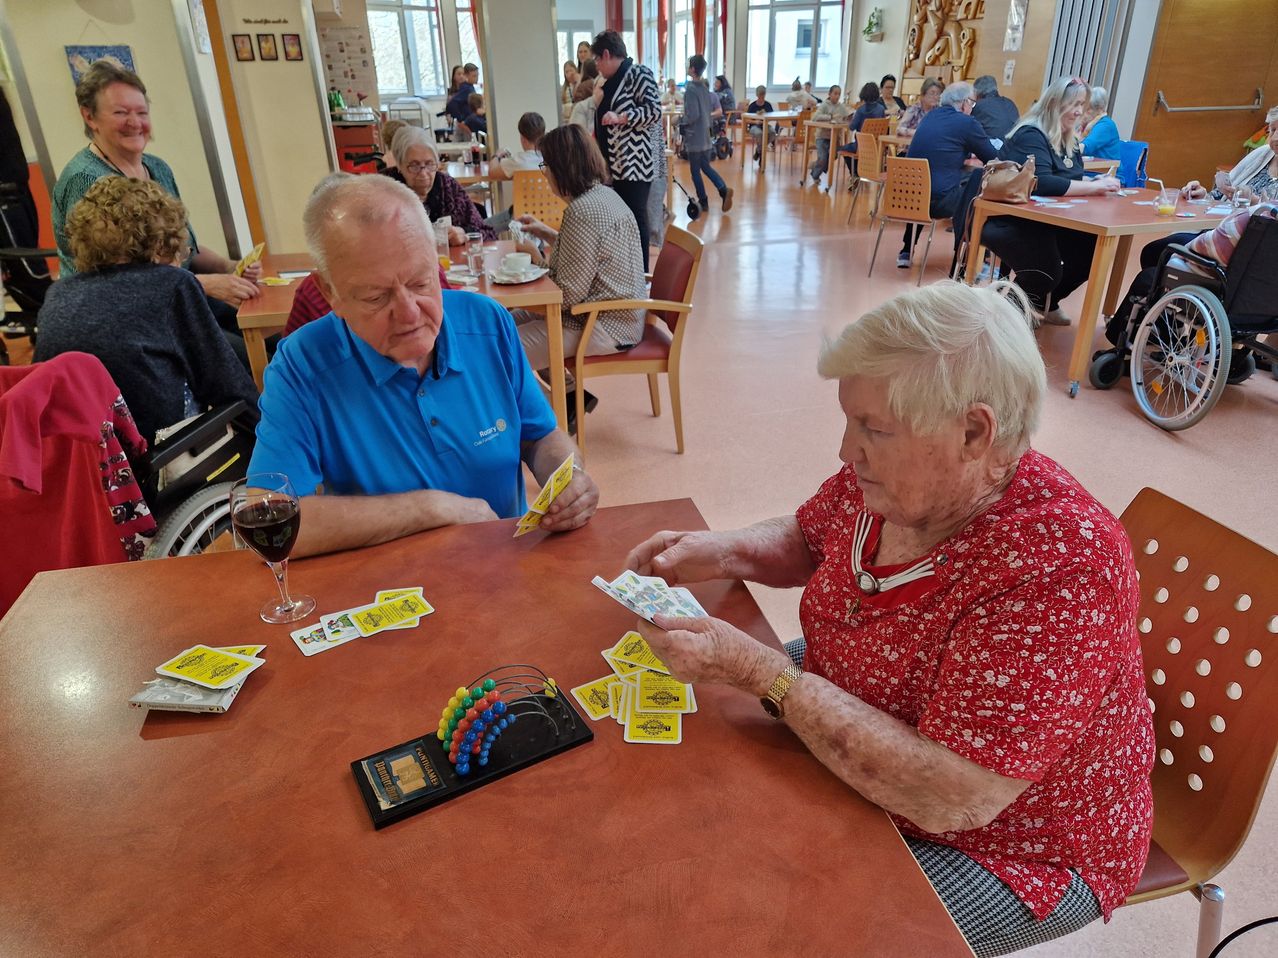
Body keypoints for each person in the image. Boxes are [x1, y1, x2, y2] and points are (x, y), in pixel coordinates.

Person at [623, 281, 1153, 958]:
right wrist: (721, 549)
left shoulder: (1060, 567)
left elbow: (953, 797)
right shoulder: (905, 481)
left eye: (873, 428)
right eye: (851, 421)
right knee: (698, 791)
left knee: (781, 928)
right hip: (863, 702)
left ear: (974, 432)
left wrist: (767, 675)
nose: (847, 450)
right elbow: (813, 535)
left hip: (1011, 844)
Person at [249, 173, 598, 557]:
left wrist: (569, 478)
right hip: (387, 581)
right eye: (376, 297)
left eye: (420, 283)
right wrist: (430, 509)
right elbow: (271, 520)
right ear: (330, 293)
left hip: (504, 564)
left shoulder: (488, 323)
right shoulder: (301, 365)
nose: (410, 314)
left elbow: (540, 436)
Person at [35, 177, 256, 446]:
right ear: (161, 244)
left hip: (78, 458)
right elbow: (227, 385)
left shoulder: (59, 293)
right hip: (160, 456)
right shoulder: (171, 284)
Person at [51, 61, 260, 315]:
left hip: (177, 297)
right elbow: (118, 282)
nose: (134, 122)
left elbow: (182, 248)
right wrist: (206, 284)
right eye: (121, 113)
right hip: (124, 316)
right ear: (89, 116)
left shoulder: (157, 168)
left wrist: (229, 267)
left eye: (142, 112)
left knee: (271, 327)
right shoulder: (85, 180)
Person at [513, 125, 647, 420]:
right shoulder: (605, 196)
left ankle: (547, 418)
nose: (544, 174)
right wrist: (547, 233)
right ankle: (572, 398)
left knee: (501, 350)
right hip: (619, 315)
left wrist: (535, 258)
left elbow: (565, 295)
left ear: (562, 168)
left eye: (546, 166)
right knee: (503, 322)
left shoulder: (581, 212)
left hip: (601, 324)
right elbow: (588, 254)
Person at [981, 77, 1120, 326]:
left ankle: (1045, 302)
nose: (1078, 111)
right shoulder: (1031, 133)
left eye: (1082, 105)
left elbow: (1070, 176)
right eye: (1074, 104)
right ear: (1055, 103)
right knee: (1045, 270)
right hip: (1010, 220)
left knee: (1090, 251)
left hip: (1048, 220)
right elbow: (1042, 182)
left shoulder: (1069, 139)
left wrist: (1091, 182)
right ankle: (1010, 316)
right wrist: (1093, 187)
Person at [1109, 201, 1278, 345]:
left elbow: (1205, 250)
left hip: (1222, 298)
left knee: (1148, 277)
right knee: (1154, 252)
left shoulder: (1255, 219)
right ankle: (1168, 329)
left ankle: (1118, 341)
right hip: (1265, 309)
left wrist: (1181, 253)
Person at [897, 81, 998, 268]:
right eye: (972, 103)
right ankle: (964, 258)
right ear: (964, 103)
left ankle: (906, 250)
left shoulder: (930, 116)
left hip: (908, 199)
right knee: (977, 189)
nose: (972, 108)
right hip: (939, 203)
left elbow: (946, 147)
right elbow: (992, 158)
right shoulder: (967, 123)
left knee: (926, 183)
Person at [590, 30, 662, 272]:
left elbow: (654, 111)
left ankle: (641, 276)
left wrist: (622, 117)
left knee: (635, 218)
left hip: (634, 164)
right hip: (615, 165)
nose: (597, 65)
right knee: (622, 219)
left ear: (607, 54)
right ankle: (626, 272)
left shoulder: (638, 73)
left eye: (597, 59)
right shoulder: (609, 82)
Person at [390, 127, 494, 243]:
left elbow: (489, 234)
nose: (423, 173)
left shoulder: (448, 187)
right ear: (399, 165)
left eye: (430, 164)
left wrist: (465, 234)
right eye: (414, 166)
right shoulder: (385, 191)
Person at [1184, 104, 1278, 205]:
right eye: (1273, 130)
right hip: (1226, 214)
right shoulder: (1262, 153)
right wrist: (1203, 197)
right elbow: (1223, 194)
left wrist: (1255, 202)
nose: (1275, 138)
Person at [680, 55, 734, 213]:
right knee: (705, 166)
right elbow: (706, 113)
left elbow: (693, 115)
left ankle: (703, 201)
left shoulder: (690, 89)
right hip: (706, 135)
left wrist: (680, 120)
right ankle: (723, 189)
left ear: (692, 69)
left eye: (688, 65)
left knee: (695, 171)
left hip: (695, 136)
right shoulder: (705, 88)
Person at [836, 81, 886, 178]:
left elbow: (852, 127)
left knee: (842, 149)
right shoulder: (881, 109)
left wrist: (849, 120)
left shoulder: (861, 110)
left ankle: (855, 173)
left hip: (860, 145)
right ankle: (859, 173)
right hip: (877, 146)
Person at [807, 85, 851, 187]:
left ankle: (815, 165)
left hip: (834, 137)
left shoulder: (841, 106)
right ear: (829, 94)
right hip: (822, 137)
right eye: (835, 93)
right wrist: (830, 117)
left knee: (833, 156)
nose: (837, 96)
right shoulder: (824, 105)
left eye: (839, 94)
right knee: (823, 158)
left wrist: (848, 118)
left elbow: (847, 116)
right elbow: (815, 117)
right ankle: (815, 174)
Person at [970, 75, 1020, 142]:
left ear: (977, 92)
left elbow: (970, 129)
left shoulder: (980, 105)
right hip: (1016, 143)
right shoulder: (1009, 102)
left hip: (996, 146)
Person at [1080, 85, 1121, 160]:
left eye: (1088, 109)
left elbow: (1085, 148)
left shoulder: (1106, 125)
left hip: (1107, 167)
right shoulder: (1086, 123)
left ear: (1100, 110)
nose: (1082, 112)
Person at [745, 85, 775, 163]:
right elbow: (747, 119)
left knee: (772, 133)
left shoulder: (768, 105)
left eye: (763, 95)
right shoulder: (752, 106)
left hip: (765, 125)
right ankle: (762, 155)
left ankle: (758, 151)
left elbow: (772, 116)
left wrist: (766, 118)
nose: (761, 97)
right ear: (757, 95)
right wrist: (756, 122)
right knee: (759, 134)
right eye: (760, 95)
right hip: (754, 126)